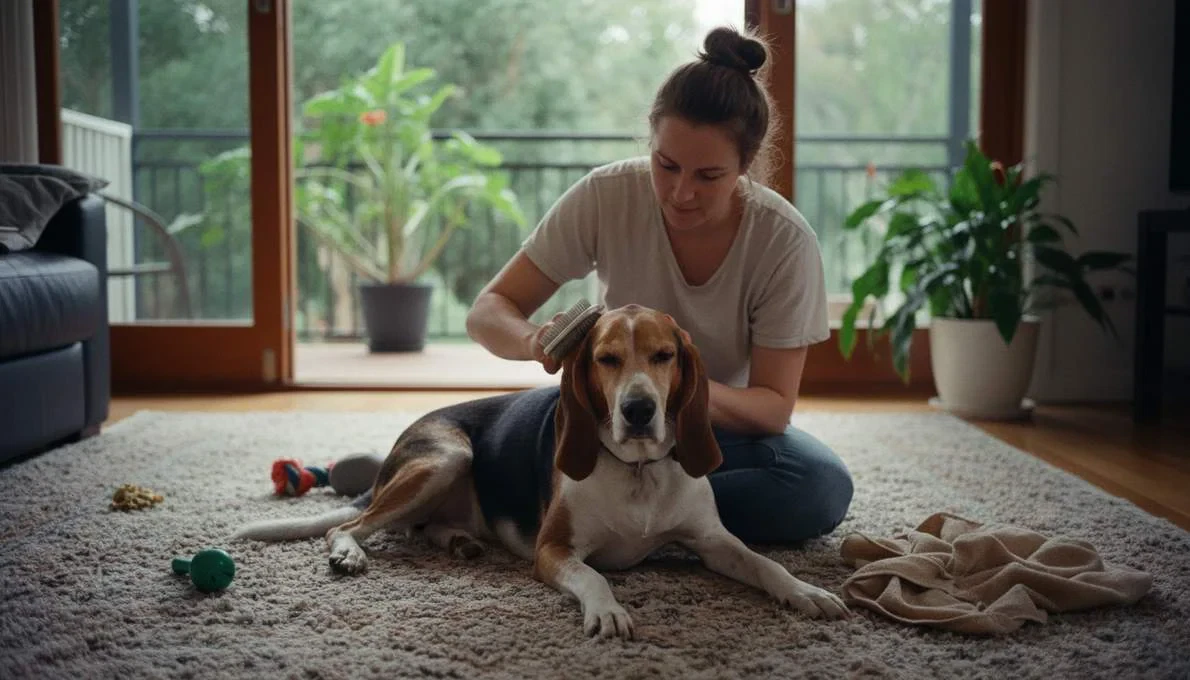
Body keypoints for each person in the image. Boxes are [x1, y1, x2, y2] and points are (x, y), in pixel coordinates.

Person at [465, 26, 853, 545]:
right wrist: (533, 340)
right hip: (607, 427)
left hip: (703, 434)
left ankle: (633, 525)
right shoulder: (606, 195)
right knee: (541, 435)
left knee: (819, 485)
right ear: (649, 141)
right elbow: (488, 309)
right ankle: (622, 517)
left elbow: (772, 408)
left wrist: (675, 389)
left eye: (708, 176)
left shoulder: (784, 242)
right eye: (665, 164)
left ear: (746, 165)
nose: (680, 192)